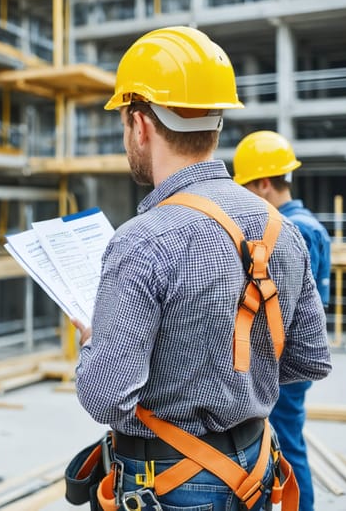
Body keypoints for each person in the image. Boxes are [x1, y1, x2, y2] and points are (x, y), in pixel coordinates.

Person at [72, 26, 332, 510]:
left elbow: (107, 398)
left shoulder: (143, 240)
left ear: (140, 123)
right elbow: (309, 359)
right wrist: (237, 381)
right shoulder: (282, 230)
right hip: (254, 472)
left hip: (165, 485)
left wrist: (91, 345)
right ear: (216, 122)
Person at [234, 130, 332, 511]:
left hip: (284, 353)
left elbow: (278, 302)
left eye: (245, 189)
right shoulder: (307, 224)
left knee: (287, 446)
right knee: (286, 441)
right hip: (291, 348)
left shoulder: (292, 231)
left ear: (263, 184)